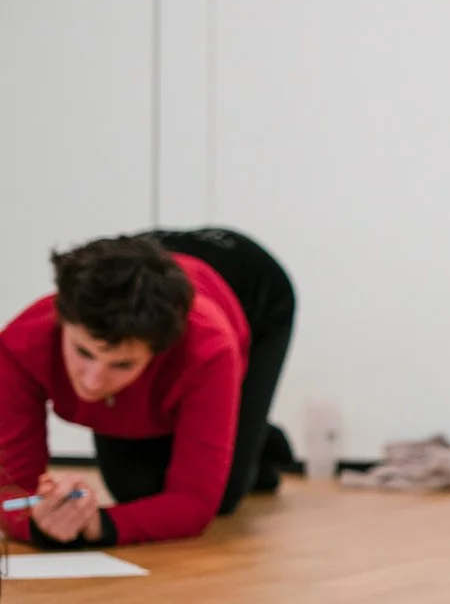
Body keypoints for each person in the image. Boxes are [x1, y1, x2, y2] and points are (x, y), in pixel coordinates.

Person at [0, 228, 296, 547]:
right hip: (149, 276)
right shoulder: (18, 346)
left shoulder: (208, 349)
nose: (92, 382)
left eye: (123, 364)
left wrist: (97, 523)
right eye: (83, 352)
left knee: (224, 497)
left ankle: (250, 437)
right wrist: (40, 522)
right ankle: (225, 433)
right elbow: (10, 494)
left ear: (159, 353)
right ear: (61, 321)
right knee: (134, 490)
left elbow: (194, 506)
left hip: (254, 293)